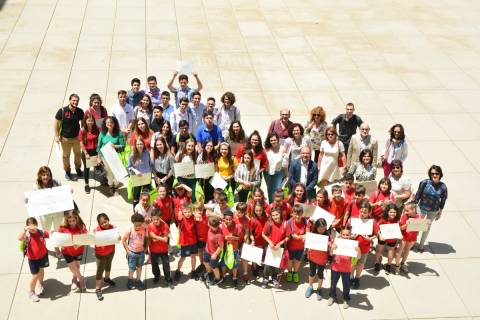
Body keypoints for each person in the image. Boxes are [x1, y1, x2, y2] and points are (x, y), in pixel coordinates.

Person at [414, 165, 448, 253]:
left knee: (426, 228)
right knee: (416, 225)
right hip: (422, 207)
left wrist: (440, 212)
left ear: (440, 174)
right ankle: (412, 243)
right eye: (432, 173)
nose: (434, 175)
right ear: (430, 174)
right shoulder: (424, 182)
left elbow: (443, 200)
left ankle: (421, 246)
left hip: (433, 211)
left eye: (437, 173)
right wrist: (414, 205)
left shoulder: (443, 187)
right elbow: (418, 194)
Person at [348, 200, 378, 289]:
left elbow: (376, 234)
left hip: (365, 247)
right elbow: (346, 232)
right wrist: (351, 236)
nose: (362, 213)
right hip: (354, 246)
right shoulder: (353, 219)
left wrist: (370, 239)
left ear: (369, 212)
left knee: (361, 264)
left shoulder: (372, 222)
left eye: (365, 212)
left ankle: (357, 278)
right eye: (361, 211)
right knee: (353, 263)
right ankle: (351, 277)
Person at [54, 93, 84, 180]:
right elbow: (56, 124)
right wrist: (56, 136)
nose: (75, 102)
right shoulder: (62, 111)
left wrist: (82, 132)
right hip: (65, 138)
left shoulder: (80, 111)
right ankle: (67, 171)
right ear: (70, 100)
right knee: (66, 156)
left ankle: (78, 169)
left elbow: (82, 122)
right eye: (73, 100)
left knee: (78, 154)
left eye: (77, 101)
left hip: (77, 138)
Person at [19, 217, 49, 302]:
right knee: (35, 275)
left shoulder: (40, 232)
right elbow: (19, 238)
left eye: (34, 226)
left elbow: (49, 235)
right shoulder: (27, 235)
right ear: (27, 227)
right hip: (33, 259)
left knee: (42, 270)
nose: (32, 229)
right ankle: (31, 292)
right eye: (30, 227)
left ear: (36, 225)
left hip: (43, 256)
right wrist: (25, 230)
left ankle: (41, 284)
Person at [328, 227, 358, 309]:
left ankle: (346, 299)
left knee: (346, 285)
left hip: (346, 269)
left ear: (350, 235)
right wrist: (332, 249)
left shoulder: (353, 244)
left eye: (347, 235)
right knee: (333, 284)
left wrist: (358, 250)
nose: (345, 236)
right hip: (335, 268)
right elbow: (331, 254)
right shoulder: (336, 242)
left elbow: (358, 257)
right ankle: (332, 296)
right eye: (343, 234)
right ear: (340, 234)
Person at [58, 210, 87, 292]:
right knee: (72, 267)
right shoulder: (63, 227)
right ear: (67, 220)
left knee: (77, 266)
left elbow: (86, 238)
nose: (72, 223)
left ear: (77, 219)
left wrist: (79, 244)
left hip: (79, 250)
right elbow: (59, 238)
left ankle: (74, 279)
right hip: (67, 251)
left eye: (73, 220)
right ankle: (81, 279)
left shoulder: (81, 226)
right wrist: (62, 244)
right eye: (69, 221)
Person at [96, 116, 125, 196]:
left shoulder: (119, 133)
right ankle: (110, 187)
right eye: (107, 122)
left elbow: (123, 145)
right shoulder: (102, 134)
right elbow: (99, 146)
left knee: (116, 173)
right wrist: (98, 158)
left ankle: (116, 187)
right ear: (105, 124)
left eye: (111, 122)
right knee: (109, 174)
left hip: (116, 157)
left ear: (114, 123)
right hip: (105, 157)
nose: (109, 124)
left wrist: (115, 146)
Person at [261, 207, 287, 289]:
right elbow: (263, 234)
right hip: (270, 247)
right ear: (271, 216)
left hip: (279, 247)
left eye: (277, 214)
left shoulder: (285, 224)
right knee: (268, 264)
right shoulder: (269, 223)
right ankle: (265, 278)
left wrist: (280, 243)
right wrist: (270, 242)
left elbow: (287, 237)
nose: (275, 217)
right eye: (273, 215)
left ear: (280, 214)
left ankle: (274, 278)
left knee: (276, 264)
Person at [93, 213, 117, 301]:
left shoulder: (113, 228)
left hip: (111, 251)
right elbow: (93, 238)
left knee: (108, 266)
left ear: (108, 220)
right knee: (100, 270)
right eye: (102, 223)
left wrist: (118, 238)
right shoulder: (96, 230)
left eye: (105, 222)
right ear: (99, 224)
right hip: (100, 255)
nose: (104, 224)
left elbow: (117, 237)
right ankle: (98, 288)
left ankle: (107, 279)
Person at [305, 218, 330, 300]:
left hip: (322, 259)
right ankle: (310, 286)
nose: (322, 230)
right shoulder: (313, 234)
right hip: (312, 257)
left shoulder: (327, 236)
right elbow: (307, 234)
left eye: (324, 229)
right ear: (316, 227)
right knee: (312, 272)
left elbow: (331, 246)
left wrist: (330, 245)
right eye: (320, 229)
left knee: (320, 273)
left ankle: (319, 288)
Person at [148, 209, 174, 288]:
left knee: (166, 265)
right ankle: (157, 276)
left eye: (157, 219)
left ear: (161, 217)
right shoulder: (150, 226)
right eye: (153, 219)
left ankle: (167, 277)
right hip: (153, 250)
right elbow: (151, 239)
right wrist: (160, 237)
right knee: (154, 265)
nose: (155, 221)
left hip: (163, 250)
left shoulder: (165, 226)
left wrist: (155, 236)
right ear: (151, 218)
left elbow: (165, 239)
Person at [374, 204, 401, 274]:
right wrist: (379, 235)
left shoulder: (397, 220)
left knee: (390, 251)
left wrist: (399, 239)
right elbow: (377, 227)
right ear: (387, 212)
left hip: (392, 238)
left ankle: (388, 265)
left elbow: (399, 230)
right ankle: (377, 263)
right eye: (391, 212)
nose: (392, 214)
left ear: (396, 213)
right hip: (382, 237)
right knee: (379, 250)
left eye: (394, 212)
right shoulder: (383, 219)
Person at [122, 213, 146, 290]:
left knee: (139, 267)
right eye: (136, 225)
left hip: (141, 252)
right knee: (131, 269)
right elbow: (124, 240)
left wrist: (145, 249)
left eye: (140, 225)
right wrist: (127, 250)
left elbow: (147, 238)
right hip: (132, 253)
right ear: (133, 223)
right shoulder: (129, 229)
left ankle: (138, 280)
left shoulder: (144, 228)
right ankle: (130, 280)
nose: (138, 227)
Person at [174, 204, 198, 282]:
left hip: (193, 241)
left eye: (189, 212)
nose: (187, 213)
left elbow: (198, 219)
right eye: (185, 212)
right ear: (183, 212)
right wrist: (180, 213)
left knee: (193, 257)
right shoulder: (181, 219)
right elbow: (179, 218)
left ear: (191, 212)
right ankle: (178, 270)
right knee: (183, 257)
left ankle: (193, 271)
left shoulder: (193, 218)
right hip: (185, 242)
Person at [128, 138, 153, 209]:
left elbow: (150, 163)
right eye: (138, 144)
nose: (139, 146)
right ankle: (136, 210)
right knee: (136, 195)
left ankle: (146, 210)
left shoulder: (147, 152)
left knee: (146, 195)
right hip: (137, 177)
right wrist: (136, 171)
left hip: (146, 176)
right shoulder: (132, 154)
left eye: (141, 144)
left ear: (143, 144)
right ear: (135, 145)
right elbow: (129, 167)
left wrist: (150, 173)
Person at [264, 132, 288, 202]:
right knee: (270, 189)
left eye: (275, 140)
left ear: (278, 139)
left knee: (277, 190)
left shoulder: (282, 148)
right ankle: (271, 205)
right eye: (271, 140)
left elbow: (285, 163)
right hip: (267, 173)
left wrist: (287, 175)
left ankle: (277, 205)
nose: (273, 142)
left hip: (278, 172)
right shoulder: (267, 149)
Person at [397, 202, 422, 273]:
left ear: (414, 210)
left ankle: (402, 263)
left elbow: (421, 227)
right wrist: (406, 224)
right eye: (405, 210)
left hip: (412, 237)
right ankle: (397, 265)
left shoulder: (418, 217)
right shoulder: (404, 216)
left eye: (407, 210)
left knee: (407, 250)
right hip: (404, 237)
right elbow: (401, 228)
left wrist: (425, 225)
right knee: (400, 250)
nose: (405, 212)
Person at [285, 204, 307, 283]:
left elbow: (307, 232)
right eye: (296, 214)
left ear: (302, 214)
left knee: (298, 261)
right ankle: (289, 272)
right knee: (290, 260)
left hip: (301, 247)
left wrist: (304, 235)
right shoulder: (289, 222)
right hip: (291, 247)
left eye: (299, 214)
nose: (298, 216)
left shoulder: (304, 221)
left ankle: (295, 273)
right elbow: (294, 236)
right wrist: (302, 236)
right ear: (292, 214)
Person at [78, 113, 99, 193]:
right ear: (85, 121)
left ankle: (105, 181)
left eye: (92, 120)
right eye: (88, 120)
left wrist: (98, 152)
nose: (90, 122)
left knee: (98, 166)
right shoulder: (82, 130)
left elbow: (98, 140)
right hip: (86, 151)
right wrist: (86, 153)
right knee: (86, 168)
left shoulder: (96, 129)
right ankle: (86, 184)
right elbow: (81, 143)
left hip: (95, 151)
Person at [221, 210, 243, 288]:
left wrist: (232, 237)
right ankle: (223, 276)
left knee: (234, 264)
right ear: (224, 219)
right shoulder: (221, 226)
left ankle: (234, 277)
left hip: (234, 248)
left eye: (230, 219)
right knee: (223, 263)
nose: (228, 221)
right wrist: (224, 238)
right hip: (224, 248)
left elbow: (239, 238)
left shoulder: (236, 226)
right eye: (226, 219)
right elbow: (219, 237)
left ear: (232, 218)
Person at [248, 201, 268, 278]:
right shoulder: (252, 220)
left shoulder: (266, 217)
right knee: (255, 255)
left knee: (261, 255)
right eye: (256, 211)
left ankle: (258, 266)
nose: (258, 212)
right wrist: (252, 240)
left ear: (263, 209)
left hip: (264, 240)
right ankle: (254, 268)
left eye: (260, 210)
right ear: (254, 210)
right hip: (256, 240)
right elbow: (250, 232)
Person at [203, 216, 225, 286]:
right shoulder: (209, 228)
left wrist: (215, 254)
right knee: (205, 262)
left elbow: (221, 246)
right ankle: (210, 273)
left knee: (214, 266)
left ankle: (218, 278)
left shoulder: (219, 235)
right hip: (207, 250)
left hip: (214, 254)